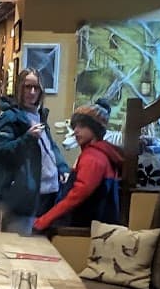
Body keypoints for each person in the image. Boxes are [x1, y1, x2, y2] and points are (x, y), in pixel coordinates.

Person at [0, 68, 70, 235]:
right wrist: (27, 138)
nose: (31, 92)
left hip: (48, 194)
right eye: (27, 87)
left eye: (36, 88)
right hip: (21, 199)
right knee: (19, 248)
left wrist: (62, 167)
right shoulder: (10, 117)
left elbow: (50, 146)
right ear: (19, 88)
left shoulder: (39, 116)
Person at [33, 99, 123, 233]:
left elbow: (76, 196)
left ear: (95, 128)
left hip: (82, 231)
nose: (75, 131)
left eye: (82, 126)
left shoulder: (93, 158)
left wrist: (43, 221)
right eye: (75, 126)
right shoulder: (100, 154)